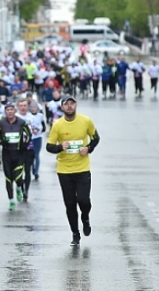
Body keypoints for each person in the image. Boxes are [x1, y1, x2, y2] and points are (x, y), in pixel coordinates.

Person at [46, 95, 100, 246]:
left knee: (83, 200)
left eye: (72, 104)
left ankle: (85, 217)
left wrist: (88, 148)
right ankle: (75, 233)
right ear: (62, 107)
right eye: (66, 104)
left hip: (82, 168)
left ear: (76, 106)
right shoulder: (57, 125)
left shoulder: (85, 121)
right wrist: (59, 147)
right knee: (70, 204)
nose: (69, 106)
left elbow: (96, 138)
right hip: (64, 170)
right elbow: (49, 146)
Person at [0, 102, 31, 211]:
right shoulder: (1, 123)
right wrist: (2, 142)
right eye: (7, 110)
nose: (10, 112)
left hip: (19, 153)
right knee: (9, 178)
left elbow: (29, 135)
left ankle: (19, 187)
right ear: (5, 112)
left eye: (11, 110)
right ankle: (11, 200)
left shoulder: (21, 122)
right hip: (7, 154)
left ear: (14, 111)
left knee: (18, 177)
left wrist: (25, 144)